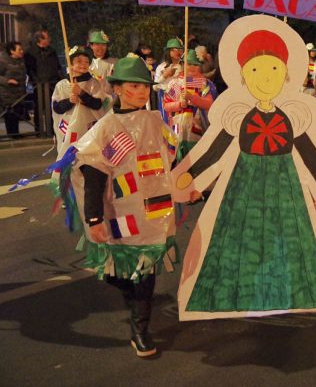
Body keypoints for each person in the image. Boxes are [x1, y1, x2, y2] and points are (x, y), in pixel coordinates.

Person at [171, 22, 316, 321]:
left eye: (274, 70)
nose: (265, 78)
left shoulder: (293, 117)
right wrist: (192, 174)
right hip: (243, 183)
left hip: (284, 183)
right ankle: (239, 295)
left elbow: (308, 150)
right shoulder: (237, 117)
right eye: (255, 70)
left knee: (286, 239)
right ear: (243, 76)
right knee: (239, 241)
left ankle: (285, 293)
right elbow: (216, 149)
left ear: (286, 75)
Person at [62, 55, 178, 357]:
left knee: (145, 274)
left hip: (154, 213)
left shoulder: (155, 120)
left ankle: (140, 329)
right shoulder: (106, 127)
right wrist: (95, 218)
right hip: (121, 214)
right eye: (133, 86)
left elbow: (171, 159)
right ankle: (131, 292)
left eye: (145, 86)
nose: (141, 92)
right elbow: (94, 173)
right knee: (117, 272)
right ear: (116, 89)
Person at [51, 47, 108, 158]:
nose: (83, 64)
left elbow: (97, 104)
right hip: (68, 127)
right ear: (70, 64)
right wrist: (69, 101)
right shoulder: (61, 85)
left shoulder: (94, 83)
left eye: (86, 62)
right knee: (68, 156)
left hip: (88, 127)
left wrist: (81, 93)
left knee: (88, 156)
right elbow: (57, 108)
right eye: (79, 61)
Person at [163, 50, 217, 160]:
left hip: (197, 127)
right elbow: (166, 105)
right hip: (178, 126)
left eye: (195, 64)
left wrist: (192, 98)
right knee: (178, 157)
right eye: (189, 64)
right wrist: (178, 104)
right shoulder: (176, 83)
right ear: (183, 64)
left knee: (197, 156)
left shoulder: (203, 83)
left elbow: (209, 104)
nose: (192, 67)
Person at [25, 30, 63, 135]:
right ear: (40, 39)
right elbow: (29, 68)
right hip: (39, 84)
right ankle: (39, 130)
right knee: (38, 107)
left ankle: (52, 129)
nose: (49, 39)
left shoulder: (51, 51)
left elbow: (57, 66)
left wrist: (60, 78)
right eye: (47, 37)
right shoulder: (30, 52)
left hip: (52, 83)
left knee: (52, 107)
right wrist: (36, 81)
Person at [0, 41, 27, 138]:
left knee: (16, 113)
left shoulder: (21, 60)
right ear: (12, 51)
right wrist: (7, 80)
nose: (22, 51)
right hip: (7, 92)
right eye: (19, 50)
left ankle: (16, 133)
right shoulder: (3, 60)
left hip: (19, 92)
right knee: (10, 113)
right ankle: (12, 134)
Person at [153, 38, 184, 124]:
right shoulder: (161, 67)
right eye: (175, 49)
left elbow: (189, 82)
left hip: (182, 99)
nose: (179, 52)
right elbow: (154, 87)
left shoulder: (184, 67)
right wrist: (164, 76)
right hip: (166, 99)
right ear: (168, 51)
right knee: (167, 125)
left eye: (181, 50)